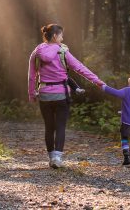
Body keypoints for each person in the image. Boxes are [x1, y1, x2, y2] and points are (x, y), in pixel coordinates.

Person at [28, 24, 105, 169]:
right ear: (55, 36)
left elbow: (31, 76)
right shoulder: (62, 51)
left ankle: (51, 158)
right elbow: (80, 68)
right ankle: (57, 158)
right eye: (61, 35)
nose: (62, 38)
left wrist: (32, 94)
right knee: (60, 126)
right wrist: (97, 81)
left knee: (49, 127)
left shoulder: (36, 52)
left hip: (44, 94)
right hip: (61, 94)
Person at [97, 71, 130, 169]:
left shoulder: (127, 91)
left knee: (124, 138)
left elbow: (114, 92)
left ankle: (127, 158)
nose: (128, 79)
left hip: (127, 122)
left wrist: (103, 86)